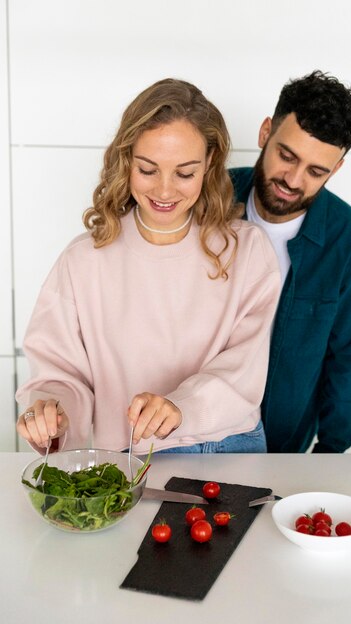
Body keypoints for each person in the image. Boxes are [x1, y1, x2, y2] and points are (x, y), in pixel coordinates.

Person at [16, 78, 281, 455]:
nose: (165, 190)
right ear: (125, 160)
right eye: (147, 169)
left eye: (185, 173)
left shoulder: (248, 251)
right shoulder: (83, 260)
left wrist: (180, 407)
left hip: (228, 446)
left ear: (210, 163)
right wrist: (51, 413)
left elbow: (243, 370)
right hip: (129, 455)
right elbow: (59, 373)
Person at [230, 70, 351, 453]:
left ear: (337, 169)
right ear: (266, 132)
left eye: (317, 171)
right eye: (286, 155)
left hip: (282, 448)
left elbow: (348, 359)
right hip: (186, 437)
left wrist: (331, 454)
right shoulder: (207, 197)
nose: (293, 180)